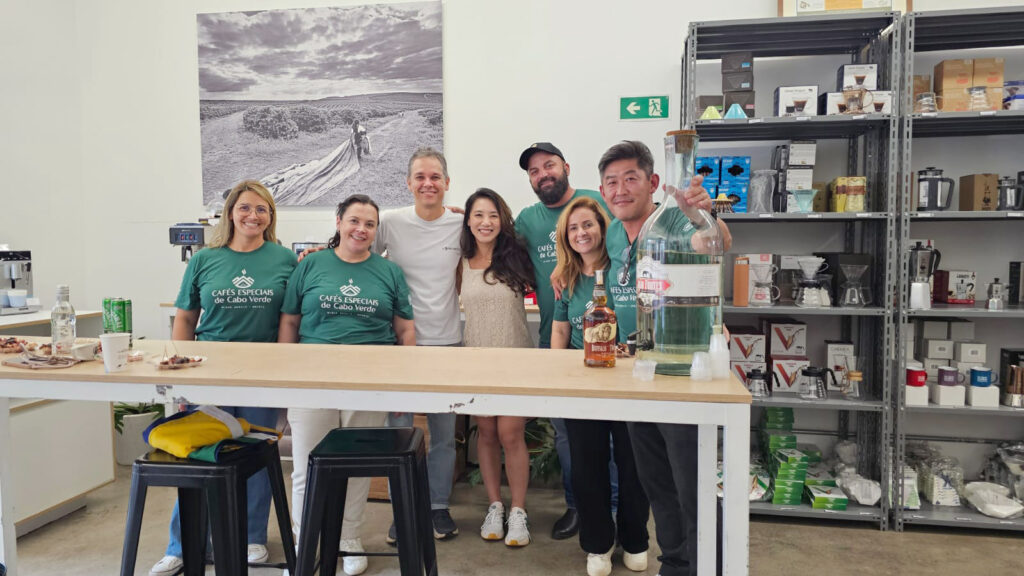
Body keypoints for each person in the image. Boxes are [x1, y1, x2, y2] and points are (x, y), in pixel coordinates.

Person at [150, 180, 297, 576]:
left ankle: (251, 537)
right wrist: (181, 373)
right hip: (209, 373)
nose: (253, 215)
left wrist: (285, 372)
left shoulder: (284, 259)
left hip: (262, 374)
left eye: (262, 209)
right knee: (198, 456)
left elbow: (290, 320)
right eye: (245, 207)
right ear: (230, 212)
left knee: (255, 455)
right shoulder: (205, 259)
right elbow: (185, 317)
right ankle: (184, 544)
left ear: (270, 216)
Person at [597, 140, 731, 576]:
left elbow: (713, 242)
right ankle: (675, 564)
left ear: (653, 181)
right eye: (611, 182)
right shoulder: (615, 232)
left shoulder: (673, 218)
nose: (620, 189)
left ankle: (709, 566)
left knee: (691, 486)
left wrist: (700, 215)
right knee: (657, 485)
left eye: (630, 178)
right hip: (645, 369)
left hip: (683, 373)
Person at [279, 194, 415, 576]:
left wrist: (404, 385)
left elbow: (405, 330)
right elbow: (289, 321)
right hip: (311, 379)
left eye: (370, 224)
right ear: (338, 222)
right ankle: (305, 541)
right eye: (354, 220)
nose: (361, 229)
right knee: (307, 465)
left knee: (356, 465)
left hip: (369, 379)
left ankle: (348, 538)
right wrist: (283, 377)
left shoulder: (389, 272)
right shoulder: (311, 265)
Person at [550, 196, 650, 576]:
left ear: (603, 228)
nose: (581, 233)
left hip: (630, 383)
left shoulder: (625, 269)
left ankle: (635, 539)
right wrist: (559, 378)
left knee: (634, 464)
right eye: (573, 228)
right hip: (584, 385)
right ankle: (598, 544)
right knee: (587, 467)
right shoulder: (567, 278)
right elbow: (561, 330)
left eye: (588, 224)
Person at [514, 142, 606, 540]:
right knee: (567, 435)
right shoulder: (527, 220)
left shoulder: (597, 201)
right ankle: (577, 506)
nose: (543, 174)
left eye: (548, 165)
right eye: (534, 171)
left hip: (606, 342)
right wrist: (454, 218)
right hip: (556, 340)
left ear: (565, 166)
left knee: (612, 435)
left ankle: (613, 508)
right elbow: (493, 241)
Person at [374, 147, 464, 542]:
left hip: (447, 343)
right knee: (399, 431)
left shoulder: (460, 224)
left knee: (444, 434)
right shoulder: (390, 222)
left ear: (447, 183)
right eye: (420, 177)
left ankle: (438, 506)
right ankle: (403, 510)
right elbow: (357, 257)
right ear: (408, 183)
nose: (428, 184)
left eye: (435, 177)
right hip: (401, 347)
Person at [457, 188, 536, 547]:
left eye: (492, 215)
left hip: (515, 358)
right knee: (486, 434)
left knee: (511, 434)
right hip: (476, 360)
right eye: (478, 215)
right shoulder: (460, 263)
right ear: (467, 221)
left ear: (502, 220)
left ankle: (518, 510)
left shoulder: (517, 257)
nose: (485, 222)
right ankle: (495, 505)